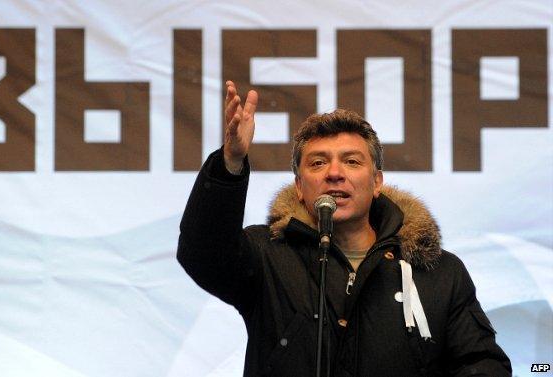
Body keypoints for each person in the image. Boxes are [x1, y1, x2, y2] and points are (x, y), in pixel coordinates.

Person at [177, 81, 511, 376]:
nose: (335, 173)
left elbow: (482, 364)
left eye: (351, 161)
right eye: (318, 162)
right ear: (298, 186)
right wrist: (230, 162)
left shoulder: (437, 271)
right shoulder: (267, 254)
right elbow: (203, 255)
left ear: (376, 182)